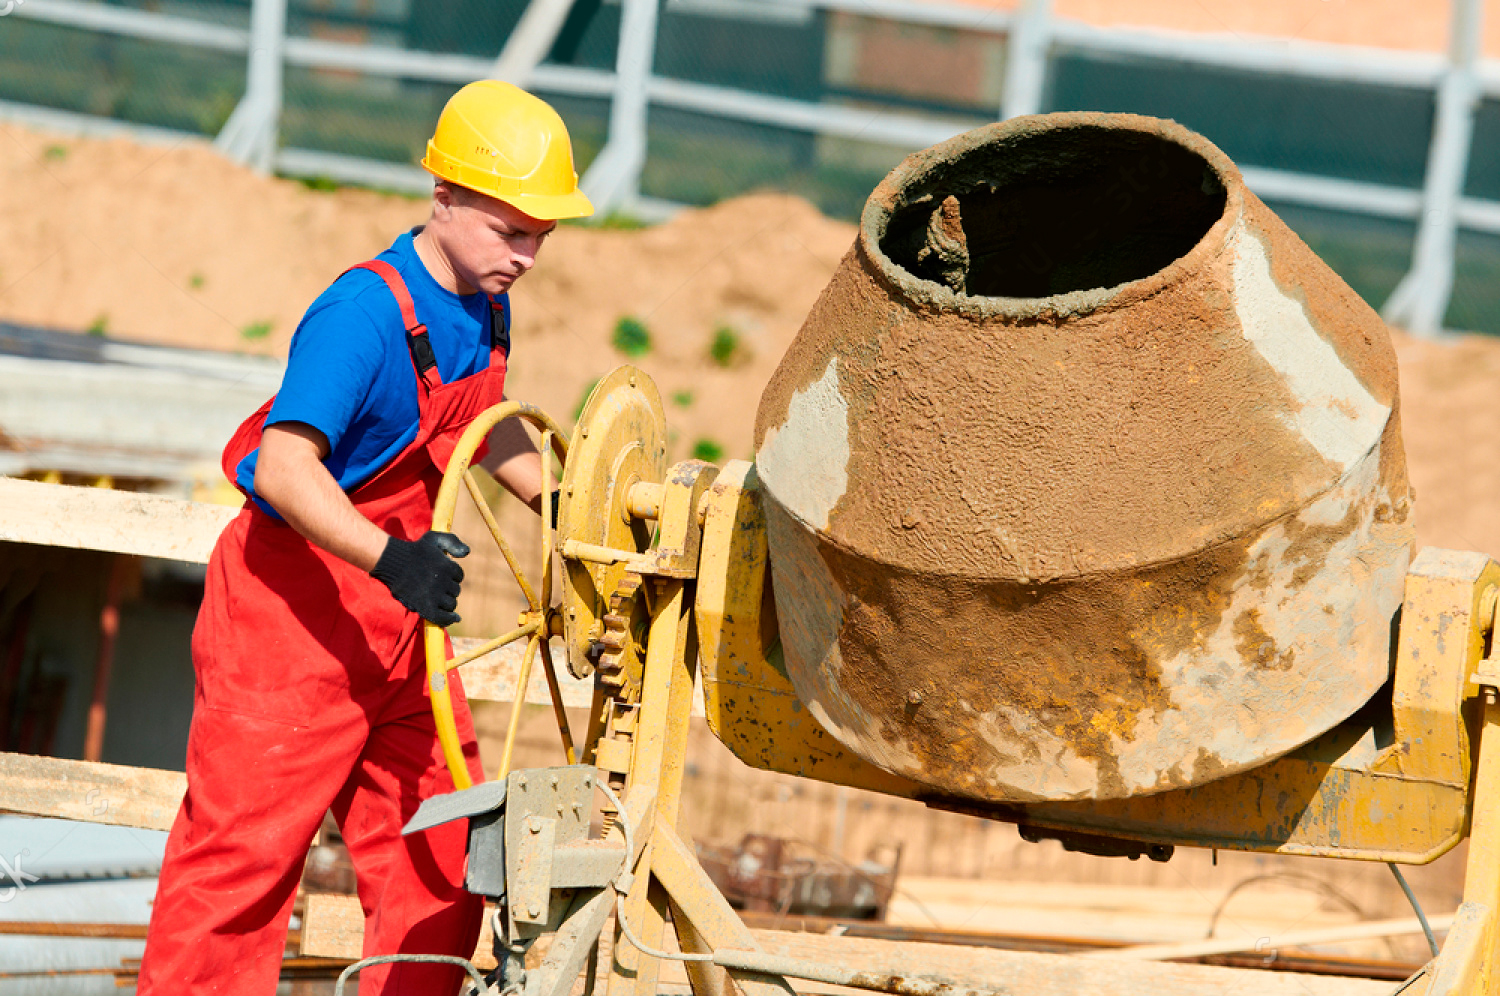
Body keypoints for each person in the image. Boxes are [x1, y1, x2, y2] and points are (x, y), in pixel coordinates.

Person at [138, 80, 593, 995]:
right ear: (446, 197)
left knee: (445, 859)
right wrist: (394, 558)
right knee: (241, 871)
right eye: (513, 230)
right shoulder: (363, 316)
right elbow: (283, 467)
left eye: (542, 235)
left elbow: (481, 419)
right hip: (292, 625)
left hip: (400, 634)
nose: (530, 256)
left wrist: (566, 501)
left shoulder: (483, 301)